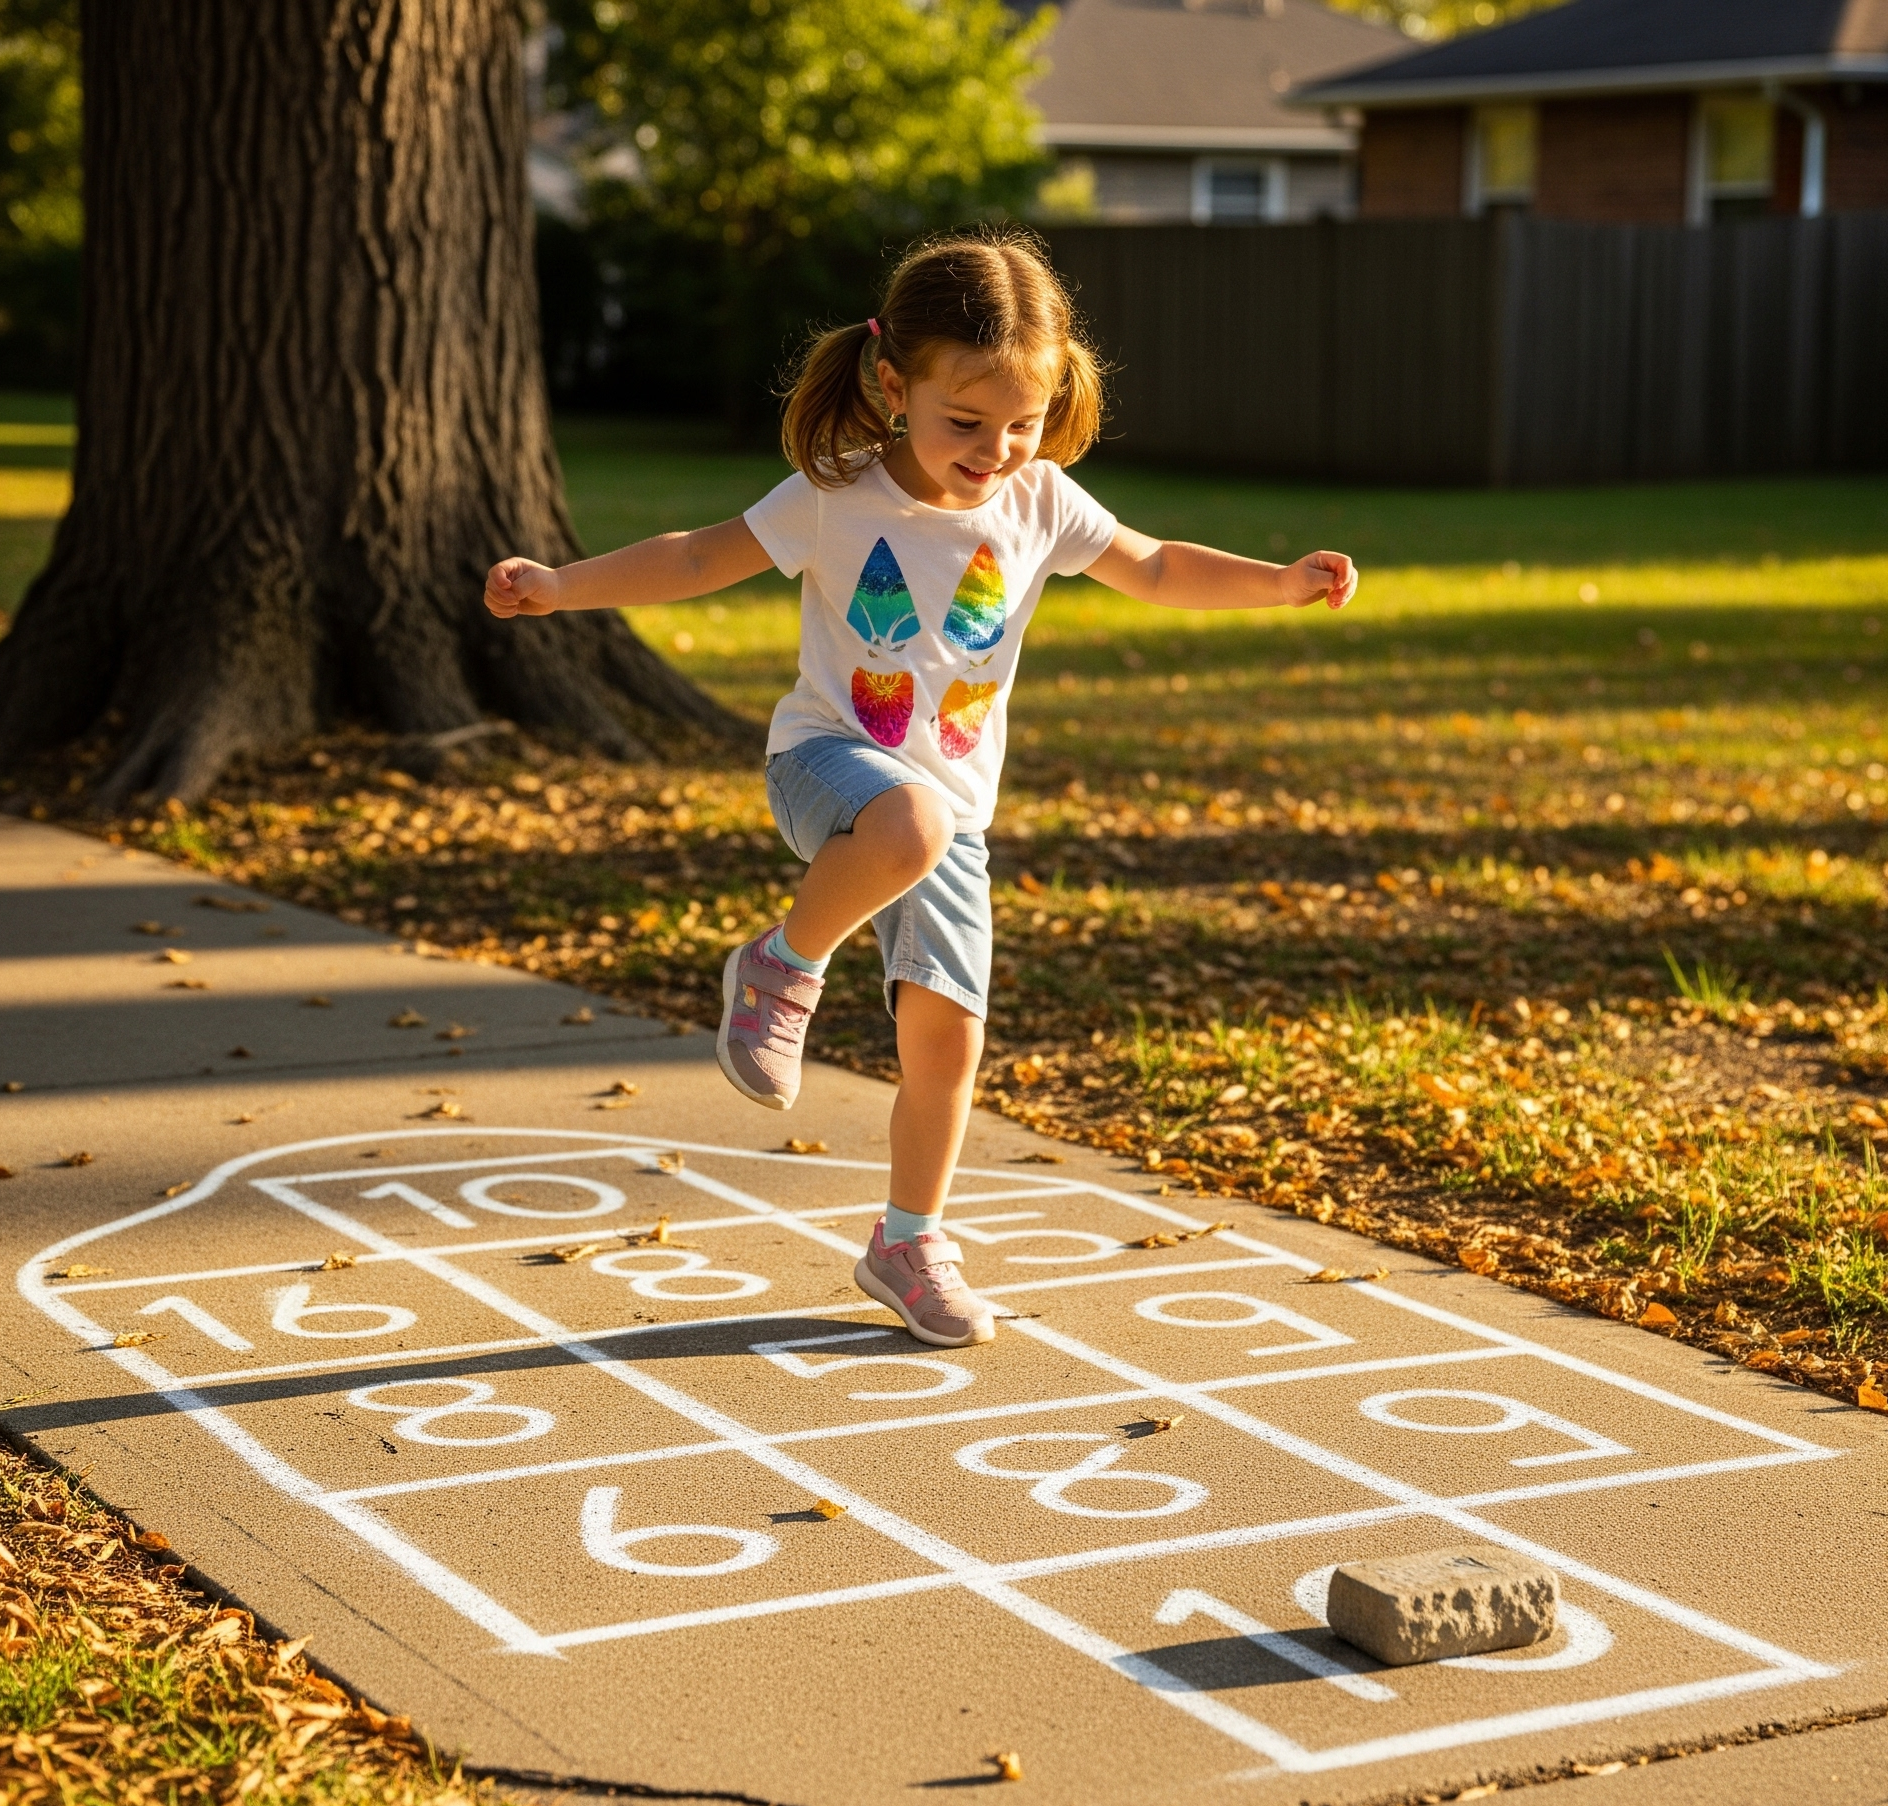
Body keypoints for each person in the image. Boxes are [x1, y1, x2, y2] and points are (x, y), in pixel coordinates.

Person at [484, 229, 1357, 1350]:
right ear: (894, 387)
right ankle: (779, 965)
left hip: (951, 819)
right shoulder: (835, 494)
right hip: (826, 767)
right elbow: (697, 557)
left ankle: (907, 1243)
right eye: (966, 422)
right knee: (911, 818)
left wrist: (1279, 583)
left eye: (1022, 424)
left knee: (948, 1041)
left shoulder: (1041, 502)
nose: (996, 451)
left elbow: (1152, 564)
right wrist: (560, 586)